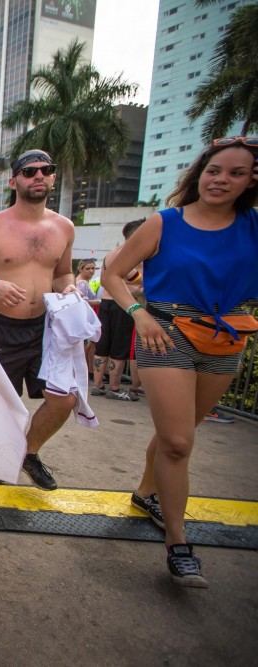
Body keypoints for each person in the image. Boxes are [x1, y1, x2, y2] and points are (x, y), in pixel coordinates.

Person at [102, 136, 258, 588]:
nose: (220, 179)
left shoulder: (252, 226)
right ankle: (178, 542)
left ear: (251, 180)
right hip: (165, 333)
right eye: (214, 170)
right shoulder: (164, 223)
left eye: (234, 172)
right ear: (199, 173)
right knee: (177, 442)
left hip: (227, 339)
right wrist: (138, 312)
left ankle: (145, 491)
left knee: (180, 435)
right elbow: (113, 272)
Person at [0, 149, 78, 491]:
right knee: (3, 403)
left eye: (46, 170)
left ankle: (28, 452)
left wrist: (70, 289)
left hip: (45, 327)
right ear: (14, 181)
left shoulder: (64, 227)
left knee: (64, 398)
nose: (38, 175)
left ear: (53, 177)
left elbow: (63, 272)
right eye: (29, 171)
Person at [90, 219, 145, 401]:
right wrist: (146, 285)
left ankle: (98, 385)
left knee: (102, 346)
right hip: (122, 304)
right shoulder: (130, 254)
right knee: (118, 349)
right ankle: (114, 387)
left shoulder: (112, 253)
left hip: (107, 303)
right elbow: (132, 278)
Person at [75, 258, 100, 371]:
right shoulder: (82, 283)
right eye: (88, 268)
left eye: (93, 268)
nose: (91, 271)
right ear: (80, 269)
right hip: (82, 316)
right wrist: (100, 301)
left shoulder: (82, 281)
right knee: (85, 343)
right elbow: (83, 301)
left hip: (83, 316)